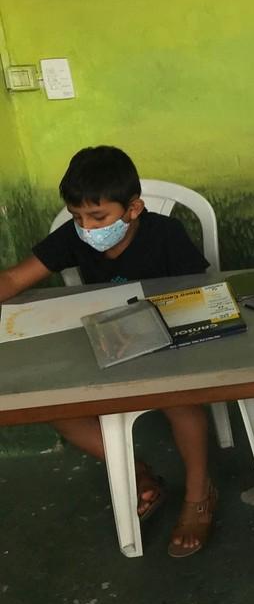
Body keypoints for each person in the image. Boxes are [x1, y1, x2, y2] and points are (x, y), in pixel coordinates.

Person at [0, 145, 216, 557]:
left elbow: (201, 296)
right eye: (77, 217)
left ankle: (198, 493)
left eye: (98, 218)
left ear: (133, 209)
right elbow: (13, 279)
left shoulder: (165, 235)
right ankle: (137, 474)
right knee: (58, 409)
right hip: (105, 347)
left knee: (180, 401)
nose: (86, 228)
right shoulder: (74, 236)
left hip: (168, 348)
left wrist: (146, 326)